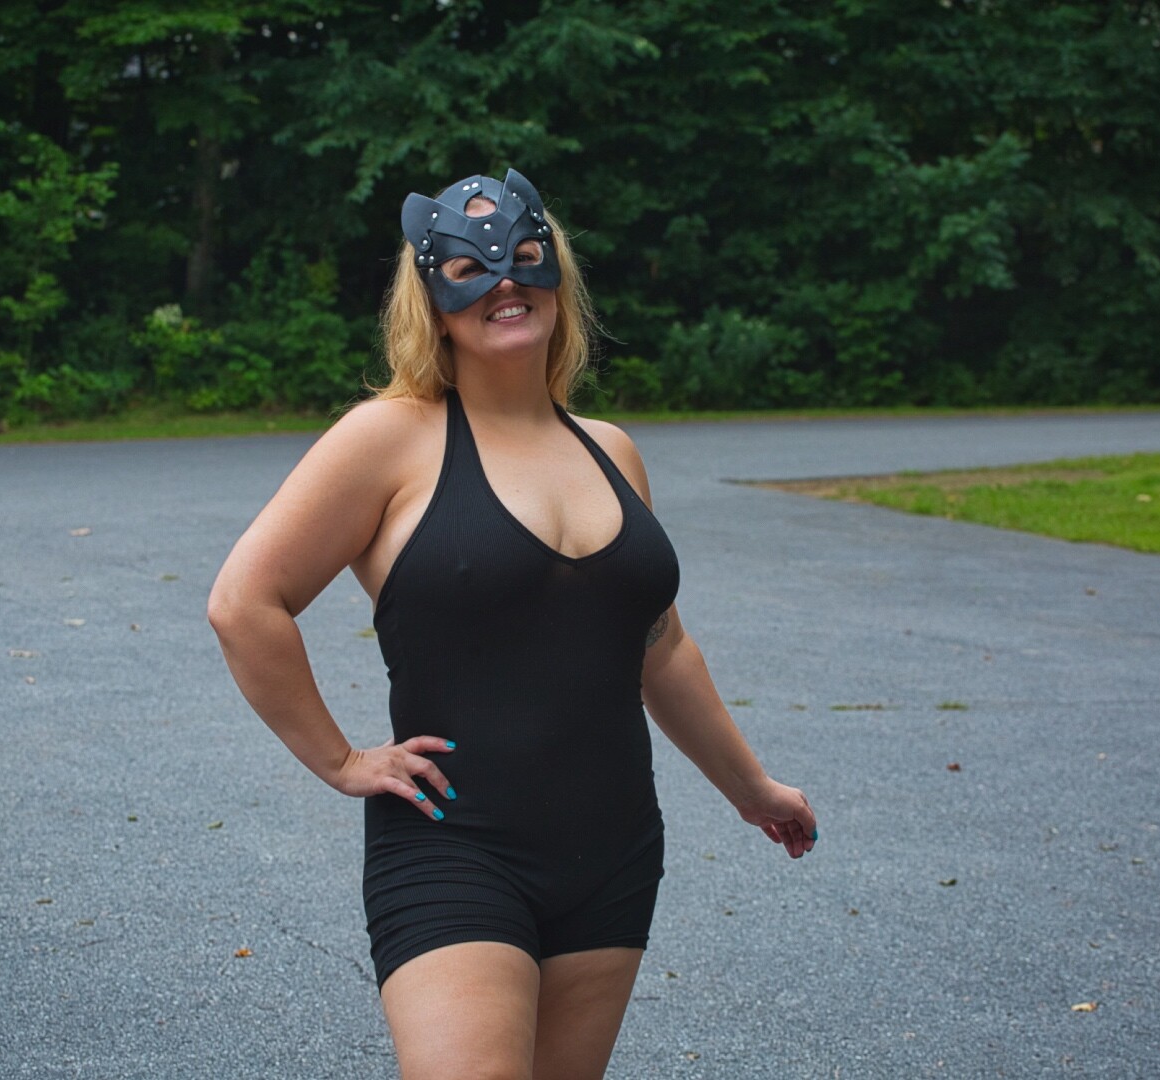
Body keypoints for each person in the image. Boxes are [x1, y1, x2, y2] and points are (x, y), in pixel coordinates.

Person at [208, 168, 817, 1080]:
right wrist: (339, 760)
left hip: (612, 851)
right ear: (433, 304)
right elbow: (244, 602)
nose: (504, 282)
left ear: (555, 279)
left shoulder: (610, 451)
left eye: (526, 258)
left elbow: (660, 647)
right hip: (454, 846)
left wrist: (752, 788)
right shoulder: (389, 438)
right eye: (469, 269)